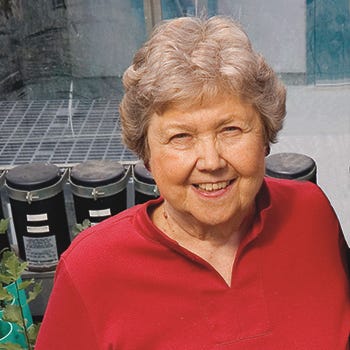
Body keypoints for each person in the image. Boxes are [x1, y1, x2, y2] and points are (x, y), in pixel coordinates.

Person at [35, 16, 350, 349]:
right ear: (147, 155)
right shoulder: (92, 269)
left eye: (231, 130)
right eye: (181, 136)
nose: (211, 162)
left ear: (266, 138)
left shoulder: (311, 213)